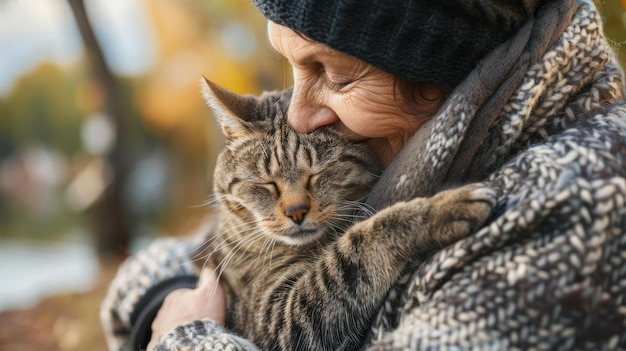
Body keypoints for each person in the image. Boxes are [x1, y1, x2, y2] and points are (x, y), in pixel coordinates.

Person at [101, 0, 626, 349]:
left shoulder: (585, 210)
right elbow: (158, 267)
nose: (300, 117)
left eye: (334, 73)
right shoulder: (403, 158)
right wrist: (167, 303)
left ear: (440, 71)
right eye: (293, 67)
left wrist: (185, 337)